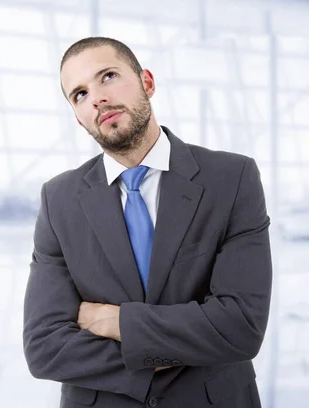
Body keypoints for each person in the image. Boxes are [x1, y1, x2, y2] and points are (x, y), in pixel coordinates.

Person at [22, 37, 272, 408]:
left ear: (147, 83)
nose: (96, 98)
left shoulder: (232, 178)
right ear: (78, 117)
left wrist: (114, 322)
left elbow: (241, 327)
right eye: (79, 94)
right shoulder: (58, 199)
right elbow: (44, 348)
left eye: (107, 76)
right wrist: (174, 349)